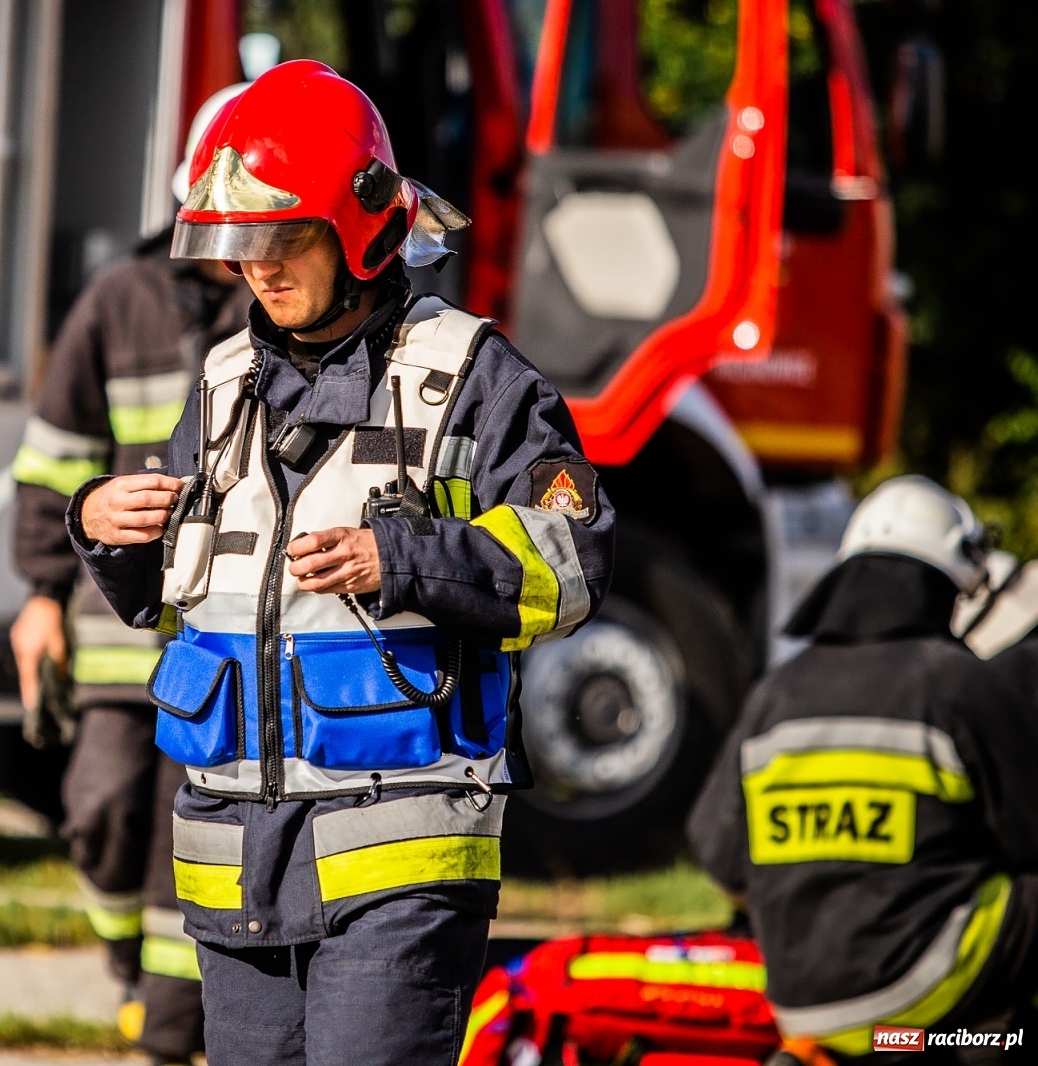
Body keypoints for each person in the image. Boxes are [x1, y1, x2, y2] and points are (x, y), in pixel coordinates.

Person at [67, 60, 614, 1065]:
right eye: (239, 244)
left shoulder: (473, 378)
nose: (257, 268)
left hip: (398, 864)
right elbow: (175, 596)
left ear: (359, 228)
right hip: (235, 870)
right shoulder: (223, 380)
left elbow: (573, 559)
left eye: (281, 237)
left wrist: (400, 558)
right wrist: (104, 524)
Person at [8, 85, 252, 1066]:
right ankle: (128, 971)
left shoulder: (283, 306)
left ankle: (167, 1031)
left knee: (186, 841)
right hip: (116, 632)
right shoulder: (118, 298)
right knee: (101, 808)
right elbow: (53, 460)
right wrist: (37, 594)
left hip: (225, 635)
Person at [688, 476, 1038, 1059]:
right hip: (922, 1003)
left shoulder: (776, 694)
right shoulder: (954, 683)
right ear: (942, 584)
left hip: (805, 1006)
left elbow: (721, 861)